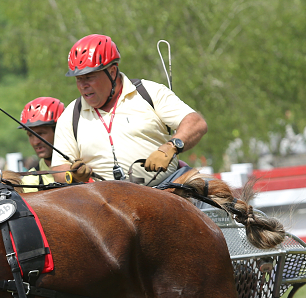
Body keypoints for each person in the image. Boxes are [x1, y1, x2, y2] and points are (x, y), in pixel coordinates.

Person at [50, 34, 208, 187]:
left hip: (167, 191)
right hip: (105, 204)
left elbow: (196, 123)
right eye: (79, 78)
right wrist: (72, 174)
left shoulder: (150, 92)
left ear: (112, 72)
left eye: (89, 77)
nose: (83, 85)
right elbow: (58, 169)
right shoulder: (71, 115)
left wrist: (171, 147)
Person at [16, 97, 65, 189]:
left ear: (59, 130)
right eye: (30, 135)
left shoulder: (89, 165)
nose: (35, 142)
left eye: (41, 134)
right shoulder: (30, 182)